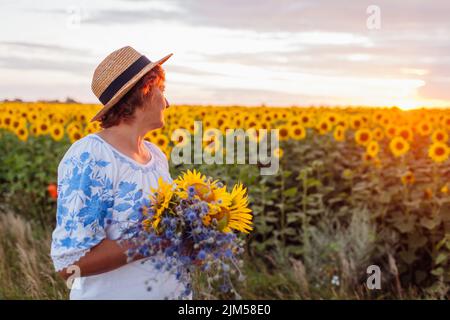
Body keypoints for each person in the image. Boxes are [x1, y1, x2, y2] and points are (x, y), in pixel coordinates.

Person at [50, 46, 190, 299]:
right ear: (144, 91)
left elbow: (166, 232)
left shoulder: (156, 156)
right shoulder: (91, 156)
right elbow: (68, 264)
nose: (167, 102)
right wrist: (154, 239)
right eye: (162, 90)